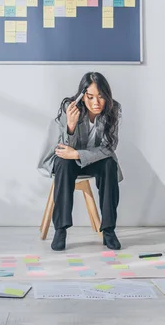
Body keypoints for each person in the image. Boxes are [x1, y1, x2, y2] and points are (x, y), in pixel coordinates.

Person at [37, 72, 123, 251]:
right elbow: (62, 149)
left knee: (110, 164)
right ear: (82, 96)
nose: (96, 102)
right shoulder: (70, 108)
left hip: (94, 159)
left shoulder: (113, 109)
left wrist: (78, 154)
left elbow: (109, 148)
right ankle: (60, 230)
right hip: (68, 161)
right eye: (90, 97)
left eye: (101, 97)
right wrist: (70, 125)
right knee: (62, 163)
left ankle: (109, 230)